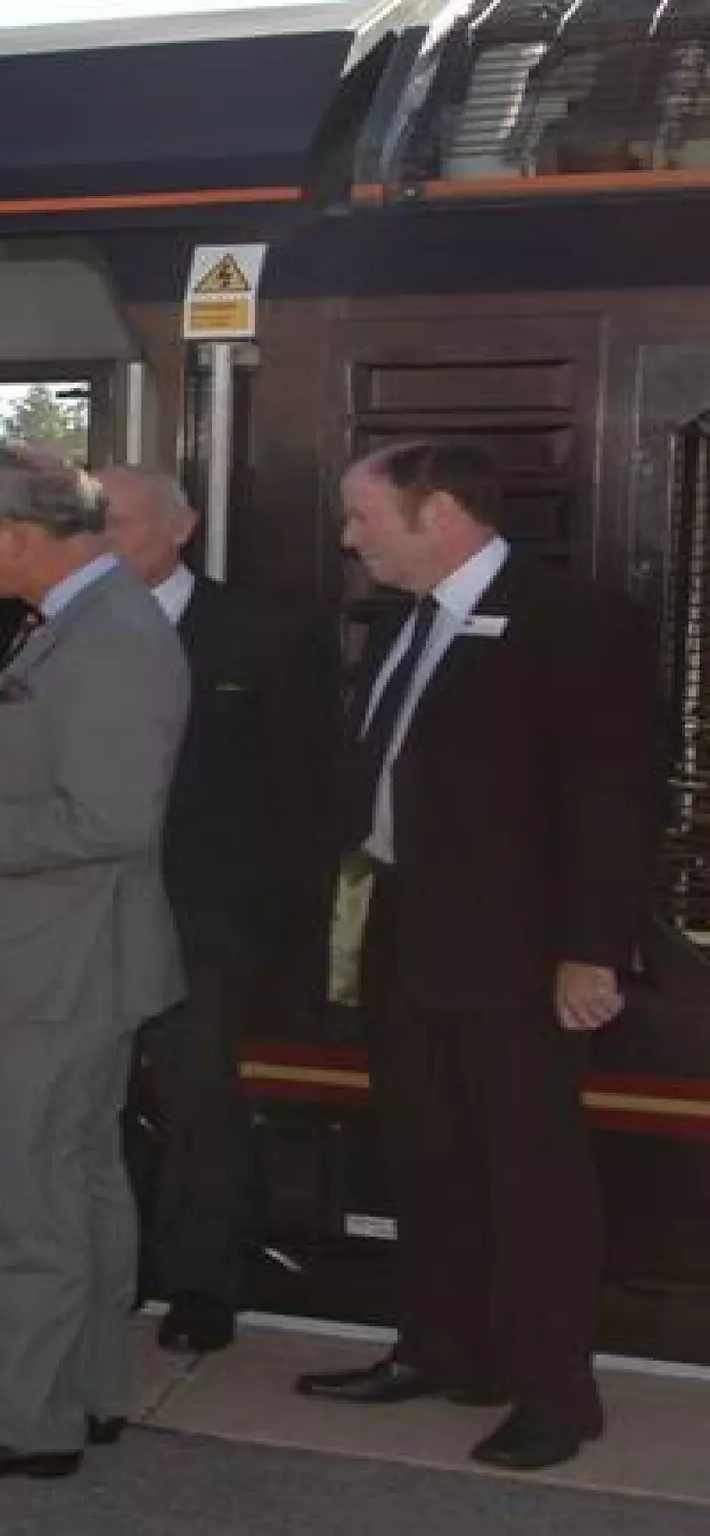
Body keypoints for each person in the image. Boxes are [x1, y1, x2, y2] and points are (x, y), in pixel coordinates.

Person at [295, 442, 659, 1472]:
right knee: (424, 1157)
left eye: (363, 517)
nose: (348, 539)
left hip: (520, 952)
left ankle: (555, 1395)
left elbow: (611, 798)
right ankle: (441, 1348)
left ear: (440, 513)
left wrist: (589, 952)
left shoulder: (570, 619)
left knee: (531, 1178)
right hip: (404, 930)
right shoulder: (407, 622)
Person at [0, 449, 188, 1483]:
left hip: (55, 965)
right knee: (81, 1179)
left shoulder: (106, 636)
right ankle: (77, 1389)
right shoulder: (89, 620)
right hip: (72, 958)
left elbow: (106, 820)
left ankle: (18, 1419)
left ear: (18, 533)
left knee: (31, 1196)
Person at [99, 465, 339, 1353]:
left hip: (208, 921)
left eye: (119, 523)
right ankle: (109, 1271)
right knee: (93, 1101)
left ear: (182, 526)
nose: (100, 542)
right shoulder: (57, 625)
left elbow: (308, 788)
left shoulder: (265, 633)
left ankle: (201, 1284)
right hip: (86, 914)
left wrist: (280, 922)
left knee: (199, 1100)